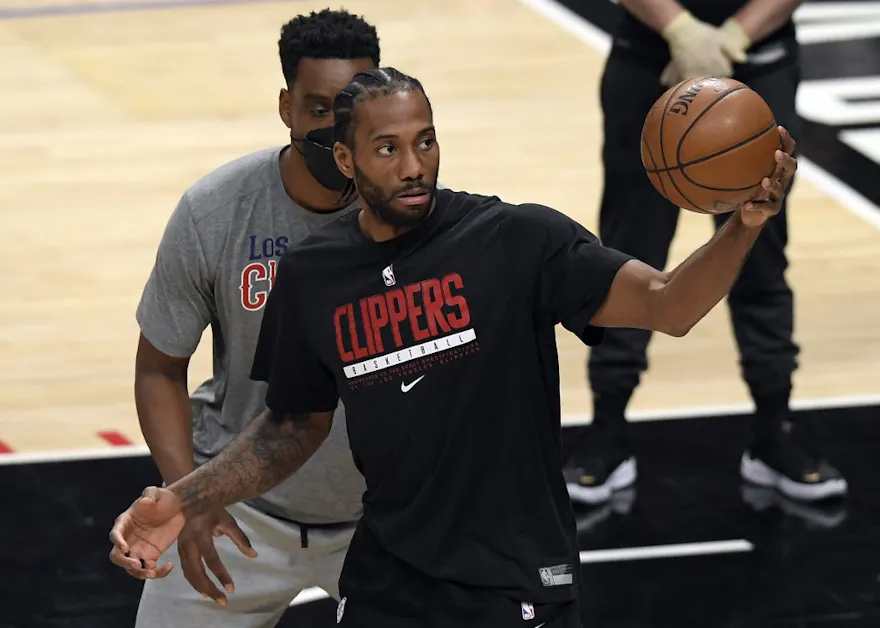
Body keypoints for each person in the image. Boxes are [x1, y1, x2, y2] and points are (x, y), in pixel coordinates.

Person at [109, 67, 798, 628]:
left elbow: (667, 305)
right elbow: (292, 426)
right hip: (390, 578)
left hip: (510, 579)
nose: (414, 165)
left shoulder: (516, 241)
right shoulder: (315, 275)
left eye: (426, 141)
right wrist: (187, 496)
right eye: (388, 148)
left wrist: (742, 228)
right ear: (346, 158)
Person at [107, 10, 381, 627]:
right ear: (286, 107)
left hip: (384, 518)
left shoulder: (412, 217)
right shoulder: (216, 211)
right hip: (236, 510)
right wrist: (190, 498)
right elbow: (159, 368)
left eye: (349, 110)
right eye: (318, 109)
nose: (333, 130)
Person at [562, 0, 848, 506]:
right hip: (649, 61)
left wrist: (732, 36)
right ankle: (605, 431)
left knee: (761, 249)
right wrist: (679, 29)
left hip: (760, 62)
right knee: (625, 259)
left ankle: (773, 431)